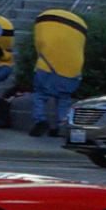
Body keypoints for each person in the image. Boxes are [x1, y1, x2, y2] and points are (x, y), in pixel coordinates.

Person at [30, 8, 87, 137]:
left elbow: (40, 44)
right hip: (73, 70)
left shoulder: (45, 21)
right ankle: (61, 124)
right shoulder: (78, 28)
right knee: (63, 98)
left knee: (39, 95)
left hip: (47, 67)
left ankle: (40, 120)